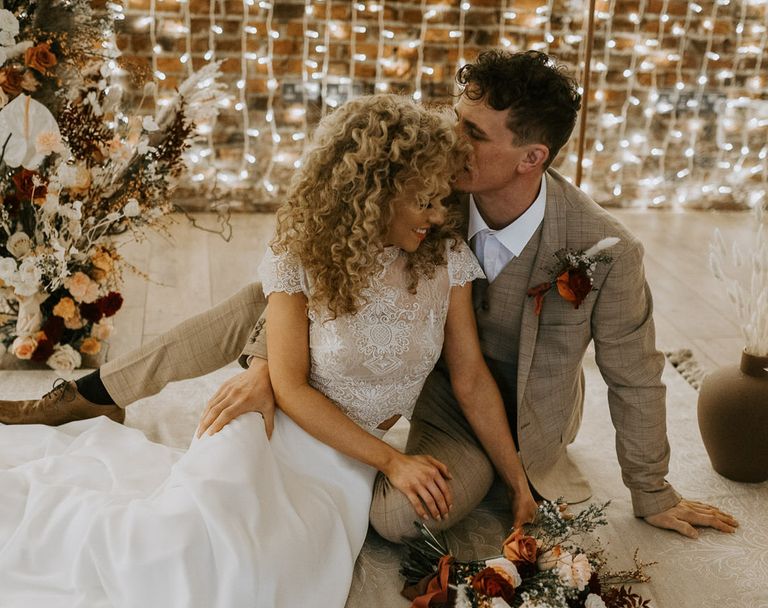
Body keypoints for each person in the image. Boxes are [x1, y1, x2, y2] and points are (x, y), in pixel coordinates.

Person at [1, 50, 737, 542]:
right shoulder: (434, 188)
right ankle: (94, 392)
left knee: (400, 520)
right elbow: (318, 260)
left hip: (488, 403)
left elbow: (636, 376)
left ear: (530, 157)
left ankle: (294, 419)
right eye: (455, 119)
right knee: (262, 292)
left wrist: (653, 493)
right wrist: (275, 373)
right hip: (386, 353)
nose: (452, 140)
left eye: (473, 132)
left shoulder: (606, 249)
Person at [0, 95, 538, 608]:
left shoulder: (446, 260)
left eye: (443, 198)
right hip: (275, 425)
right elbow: (290, 387)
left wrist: (519, 482)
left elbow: (468, 377)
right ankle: (93, 415)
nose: (439, 214)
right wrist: (392, 459)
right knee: (177, 552)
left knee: (278, 579)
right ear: (375, 191)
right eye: (424, 198)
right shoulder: (301, 256)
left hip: (344, 466)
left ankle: (102, 399)